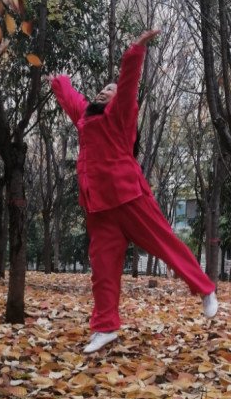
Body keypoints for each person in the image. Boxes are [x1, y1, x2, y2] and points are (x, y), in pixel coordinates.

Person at [48, 29, 218, 353]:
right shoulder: (86, 120)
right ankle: (105, 328)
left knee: (165, 245)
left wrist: (135, 52)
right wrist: (59, 82)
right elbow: (73, 101)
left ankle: (205, 288)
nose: (104, 91)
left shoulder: (121, 116)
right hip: (99, 209)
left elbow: (127, 87)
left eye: (109, 90)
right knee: (103, 271)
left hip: (129, 198)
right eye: (102, 89)